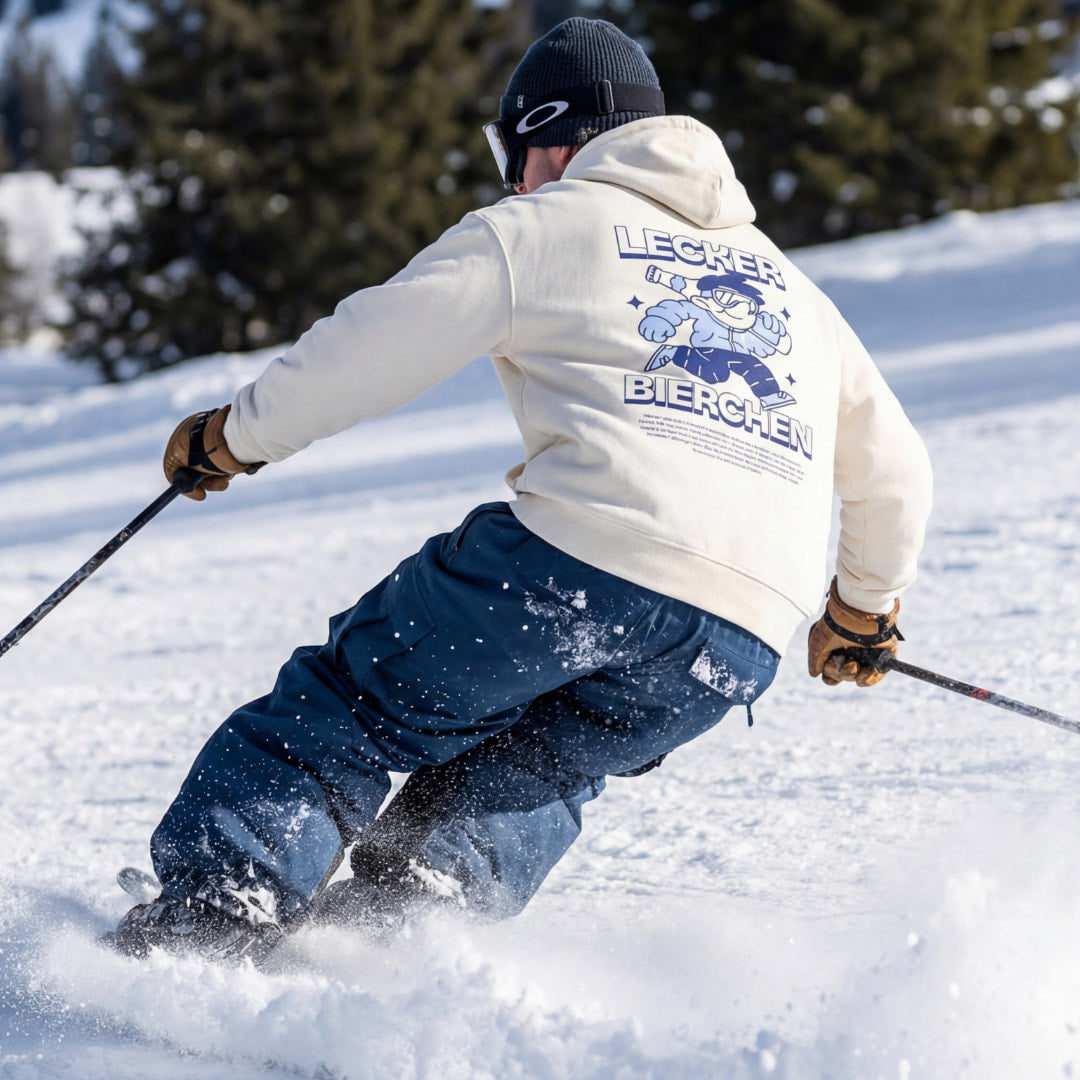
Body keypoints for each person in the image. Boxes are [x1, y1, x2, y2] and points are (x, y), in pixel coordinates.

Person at [110, 17, 933, 962]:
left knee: (347, 704)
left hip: (579, 562)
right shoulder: (792, 291)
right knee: (535, 767)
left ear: (552, 138)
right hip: (741, 637)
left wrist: (235, 435)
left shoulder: (545, 227)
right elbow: (896, 468)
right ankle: (392, 948)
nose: (512, 180)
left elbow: (375, 343)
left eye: (514, 156)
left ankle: (213, 919)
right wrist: (862, 609)